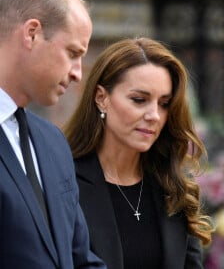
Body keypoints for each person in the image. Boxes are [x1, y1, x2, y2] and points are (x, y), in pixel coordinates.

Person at [64, 37, 214, 269]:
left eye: (164, 103)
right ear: (101, 98)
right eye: (139, 100)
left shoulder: (173, 185)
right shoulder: (64, 182)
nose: (154, 115)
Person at [0, 0, 106, 269]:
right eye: (73, 53)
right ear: (32, 33)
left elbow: (80, 258)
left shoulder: (53, 142)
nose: (77, 73)